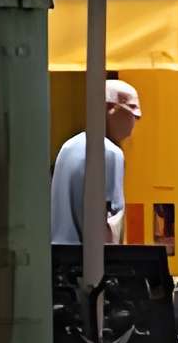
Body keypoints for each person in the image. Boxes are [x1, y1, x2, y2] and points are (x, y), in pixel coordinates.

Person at [50, 80, 143, 245]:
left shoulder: (68, 147)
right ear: (110, 109)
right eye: (132, 108)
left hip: (58, 259)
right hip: (90, 263)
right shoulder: (109, 153)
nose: (137, 117)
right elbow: (107, 225)